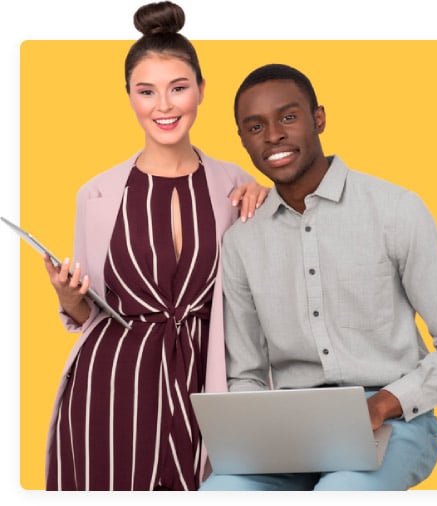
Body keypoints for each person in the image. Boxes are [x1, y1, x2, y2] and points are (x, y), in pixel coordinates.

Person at [200, 64, 437, 491]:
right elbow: (247, 374)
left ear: (319, 119)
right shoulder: (241, 241)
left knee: (340, 492)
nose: (273, 135)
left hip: (395, 421)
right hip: (290, 429)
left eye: (288, 117)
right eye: (255, 126)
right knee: (218, 493)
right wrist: (254, 436)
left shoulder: (395, 210)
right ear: (242, 139)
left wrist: (384, 404)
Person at [43, 2, 268, 491]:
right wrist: (68, 296)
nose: (163, 106)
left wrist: (268, 201)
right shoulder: (95, 195)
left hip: (204, 384)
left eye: (178, 88)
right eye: (147, 92)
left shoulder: (238, 185)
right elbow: (89, 317)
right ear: (129, 97)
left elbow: (263, 285)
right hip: (110, 390)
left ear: (201, 91)